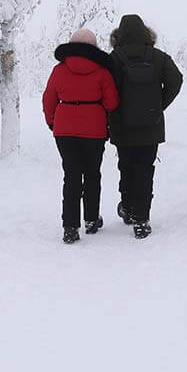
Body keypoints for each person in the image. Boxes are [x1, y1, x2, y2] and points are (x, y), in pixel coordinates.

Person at [108, 14, 183, 239]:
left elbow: (105, 88)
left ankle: (128, 207)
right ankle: (142, 219)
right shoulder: (159, 57)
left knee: (126, 166)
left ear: (119, 35)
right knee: (145, 170)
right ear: (146, 33)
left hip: (122, 125)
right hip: (151, 125)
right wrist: (159, 104)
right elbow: (176, 80)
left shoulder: (114, 59)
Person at [42, 28, 119, 244]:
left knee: (71, 176)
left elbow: (48, 99)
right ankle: (92, 220)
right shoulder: (103, 72)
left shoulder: (59, 70)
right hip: (94, 130)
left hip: (64, 130)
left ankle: (70, 227)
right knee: (92, 174)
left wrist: (52, 121)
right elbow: (112, 103)